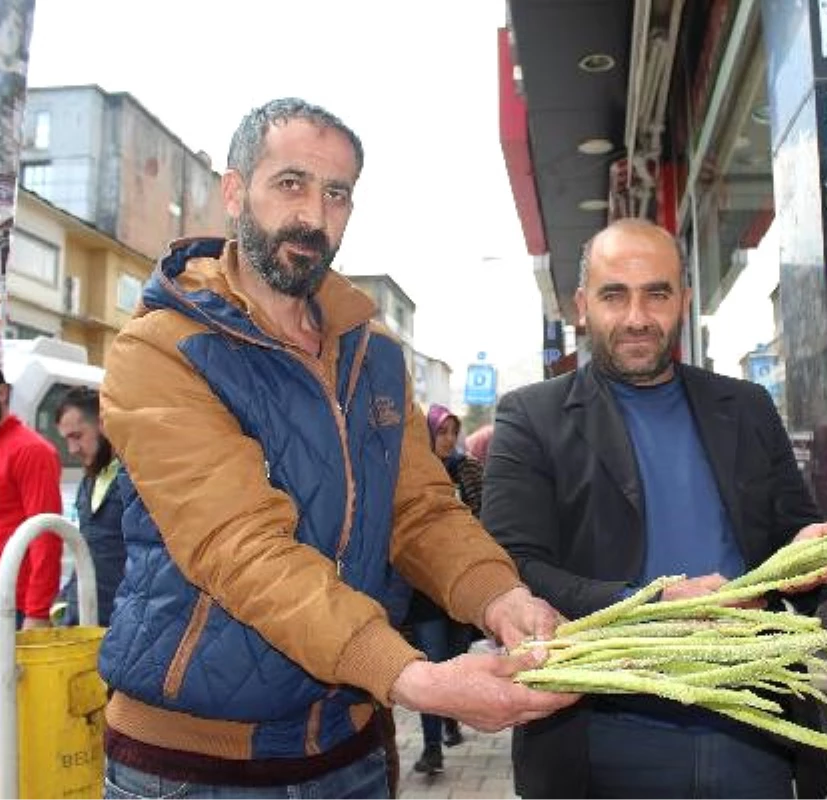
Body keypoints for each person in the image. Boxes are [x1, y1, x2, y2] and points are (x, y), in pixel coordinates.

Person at [96, 97, 575, 800]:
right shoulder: (160, 349)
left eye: (337, 193)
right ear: (235, 192)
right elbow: (241, 547)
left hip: (343, 747)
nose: (314, 217)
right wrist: (415, 678)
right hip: (194, 766)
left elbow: (421, 510)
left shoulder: (374, 354)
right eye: (290, 184)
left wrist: (500, 597)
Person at [481, 218, 827, 800]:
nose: (638, 318)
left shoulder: (746, 406)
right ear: (581, 305)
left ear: (685, 300)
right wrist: (650, 602)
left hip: (754, 725)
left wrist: (809, 556)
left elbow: (790, 533)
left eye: (657, 293)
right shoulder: (531, 417)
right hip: (604, 733)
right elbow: (512, 567)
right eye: (614, 294)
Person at [0, 372, 63, 696]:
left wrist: (37, 613)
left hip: (9, 604)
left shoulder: (31, 450)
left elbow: (46, 534)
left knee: (11, 708)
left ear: (1, 393)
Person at [406, 404, 482, 775]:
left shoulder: (468, 470)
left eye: (454, 431)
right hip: (424, 596)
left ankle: (450, 715)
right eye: (442, 432)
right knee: (433, 666)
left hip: (463, 590)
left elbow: (486, 519)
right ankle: (431, 747)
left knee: (457, 658)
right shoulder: (413, 475)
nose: (449, 439)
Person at [54, 386, 125, 626]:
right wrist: (65, 604)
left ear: (103, 424)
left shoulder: (136, 480)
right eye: (67, 440)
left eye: (77, 436)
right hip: (84, 621)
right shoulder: (89, 481)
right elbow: (87, 550)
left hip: (121, 627)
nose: (72, 449)